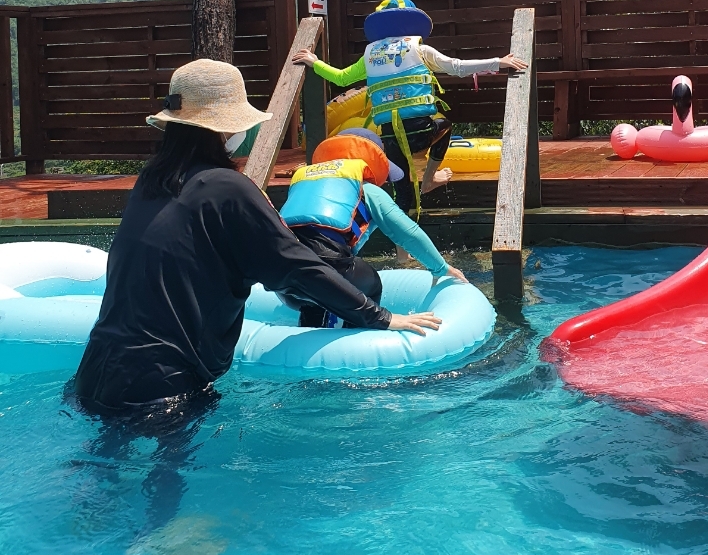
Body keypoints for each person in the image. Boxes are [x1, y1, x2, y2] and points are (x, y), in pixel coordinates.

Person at [72, 58, 442, 415]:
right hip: (163, 383)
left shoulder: (151, 181)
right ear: (225, 130)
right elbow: (297, 266)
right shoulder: (228, 189)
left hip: (94, 372)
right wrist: (380, 317)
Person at [293, 0, 528, 212]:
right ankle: (429, 179)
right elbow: (457, 67)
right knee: (445, 126)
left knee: (403, 195)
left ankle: (398, 242)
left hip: (390, 136)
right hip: (420, 132)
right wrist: (498, 62)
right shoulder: (420, 49)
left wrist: (314, 62)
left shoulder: (370, 55)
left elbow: (341, 78)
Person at [278, 127, 468, 326]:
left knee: (317, 291)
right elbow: (408, 233)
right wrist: (440, 267)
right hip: (327, 271)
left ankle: (309, 329)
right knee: (370, 285)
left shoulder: (305, 184)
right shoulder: (367, 190)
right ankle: (355, 335)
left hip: (283, 279)